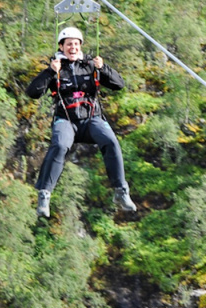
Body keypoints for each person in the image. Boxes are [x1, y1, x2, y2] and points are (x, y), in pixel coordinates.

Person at [26, 27, 137, 217]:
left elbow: (119, 85)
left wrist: (103, 68)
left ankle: (121, 191)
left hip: (91, 119)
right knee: (60, 145)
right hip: (66, 120)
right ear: (61, 46)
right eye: (69, 44)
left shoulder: (90, 65)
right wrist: (49, 72)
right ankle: (44, 195)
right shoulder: (56, 67)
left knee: (110, 141)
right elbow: (32, 92)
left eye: (76, 44)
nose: (73, 48)